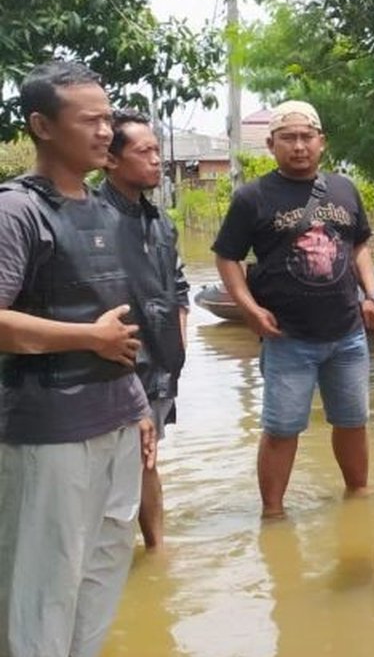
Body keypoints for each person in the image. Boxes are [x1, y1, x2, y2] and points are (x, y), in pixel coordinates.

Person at [0, 61, 154, 657]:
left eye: (108, 118)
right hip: (49, 431)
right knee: (45, 582)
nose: (105, 131)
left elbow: (117, 320)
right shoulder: (17, 211)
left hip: (115, 419)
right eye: (89, 120)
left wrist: (138, 404)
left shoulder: (103, 208)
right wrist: (87, 339)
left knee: (102, 568)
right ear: (42, 125)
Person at [212, 101, 374, 519]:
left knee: (352, 421)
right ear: (271, 145)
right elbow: (227, 257)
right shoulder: (252, 197)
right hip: (287, 337)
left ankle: (358, 496)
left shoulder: (344, 188)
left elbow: (359, 244)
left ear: (322, 142)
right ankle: (272, 514)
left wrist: (372, 294)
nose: (299, 146)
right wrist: (249, 309)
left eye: (307, 137)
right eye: (288, 138)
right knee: (281, 428)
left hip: (347, 333)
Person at [102, 109, 189, 551]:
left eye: (157, 150)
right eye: (144, 151)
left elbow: (179, 288)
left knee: (147, 461)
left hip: (159, 367)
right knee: (108, 469)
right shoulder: (90, 219)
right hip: (110, 368)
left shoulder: (160, 221)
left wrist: (179, 349)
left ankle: (156, 554)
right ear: (111, 159)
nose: (156, 160)